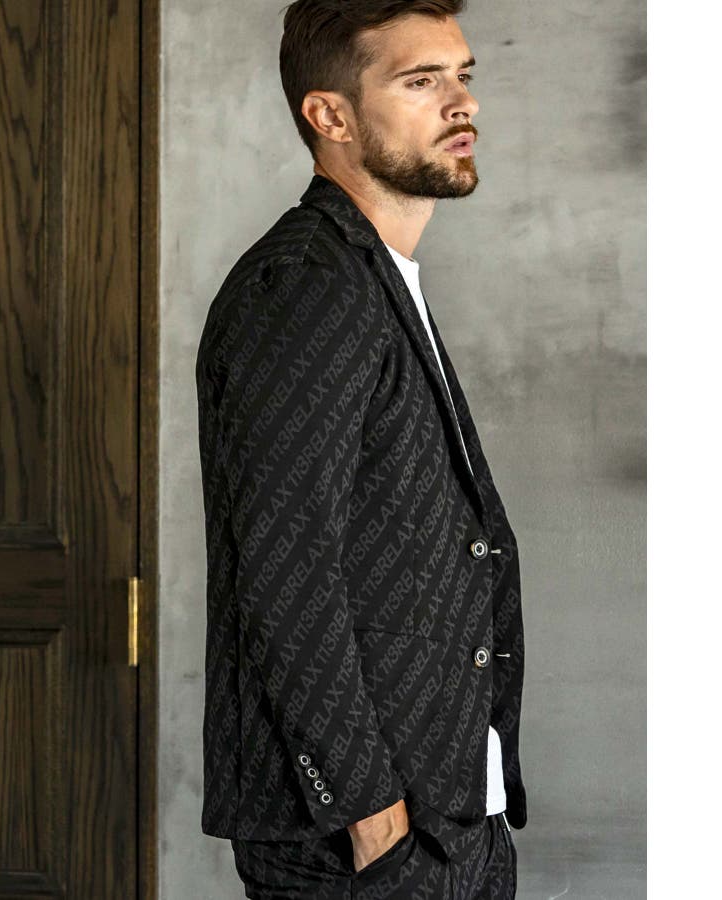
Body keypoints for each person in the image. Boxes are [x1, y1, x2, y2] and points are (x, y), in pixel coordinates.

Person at [194, 2, 528, 897]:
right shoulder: (305, 285)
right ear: (330, 116)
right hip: (365, 837)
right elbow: (284, 567)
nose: (461, 102)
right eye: (421, 81)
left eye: (462, 75)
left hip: (450, 807)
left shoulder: (372, 276)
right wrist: (369, 812)